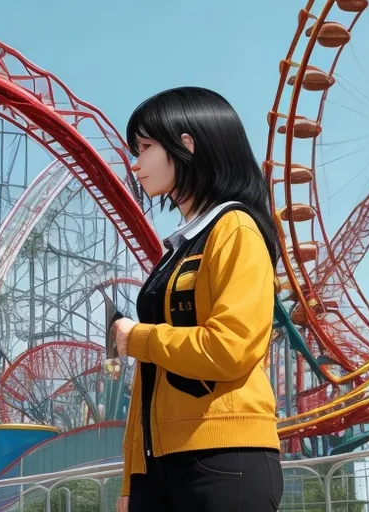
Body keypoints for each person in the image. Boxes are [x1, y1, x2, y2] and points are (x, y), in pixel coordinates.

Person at [111, 86, 284, 511]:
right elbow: (149, 382)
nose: (135, 163)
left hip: (224, 456)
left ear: (185, 145)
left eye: (145, 147)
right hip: (161, 463)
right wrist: (132, 481)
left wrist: (139, 338)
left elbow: (231, 347)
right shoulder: (178, 249)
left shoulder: (236, 229)